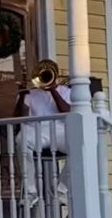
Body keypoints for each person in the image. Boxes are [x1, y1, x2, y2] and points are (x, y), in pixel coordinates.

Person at [13, 60, 71, 207]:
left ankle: (61, 191)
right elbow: (18, 118)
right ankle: (31, 193)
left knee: (80, 145)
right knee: (21, 140)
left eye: (49, 74)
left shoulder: (67, 91)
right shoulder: (30, 93)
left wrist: (53, 90)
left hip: (60, 130)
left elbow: (67, 112)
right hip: (36, 130)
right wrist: (21, 96)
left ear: (55, 75)